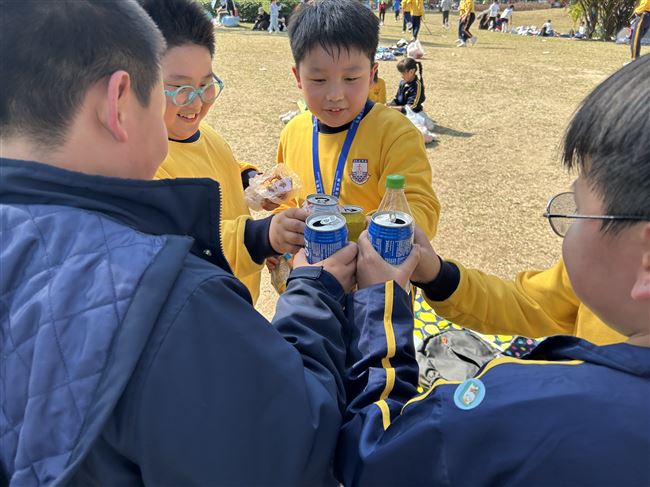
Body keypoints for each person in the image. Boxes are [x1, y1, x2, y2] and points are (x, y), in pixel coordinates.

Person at [0, 0, 360, 484]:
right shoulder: (170, 300)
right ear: (119, 100)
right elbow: (292, 440)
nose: (192, 104)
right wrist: (315, 291)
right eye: (163, 93)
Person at [336, 55, 650, 486]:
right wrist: (438, 275)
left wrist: (379, 308)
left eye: (577, 207)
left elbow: (377, 452)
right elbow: (529, 302)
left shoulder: (526, 410)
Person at [147, 0, 302, 304]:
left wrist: (251, 180)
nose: (196, 103)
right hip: (206, 311)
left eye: (206, 85)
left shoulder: (204, 133)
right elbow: (188, 246)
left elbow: (219, 166)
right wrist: (263, 237)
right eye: (181, 89)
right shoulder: (145, 166)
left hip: (239, 299)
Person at [276, 0, 441, 240]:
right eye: (319, 80)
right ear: (298, 77)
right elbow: (287, 200)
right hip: (306, 264)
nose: (335, 95)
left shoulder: (396, 133)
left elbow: (420, 207)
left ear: (372, 75)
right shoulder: (293, 133)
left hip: (374, 262)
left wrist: (370, 230)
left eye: (351, 78)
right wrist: (281, 230)